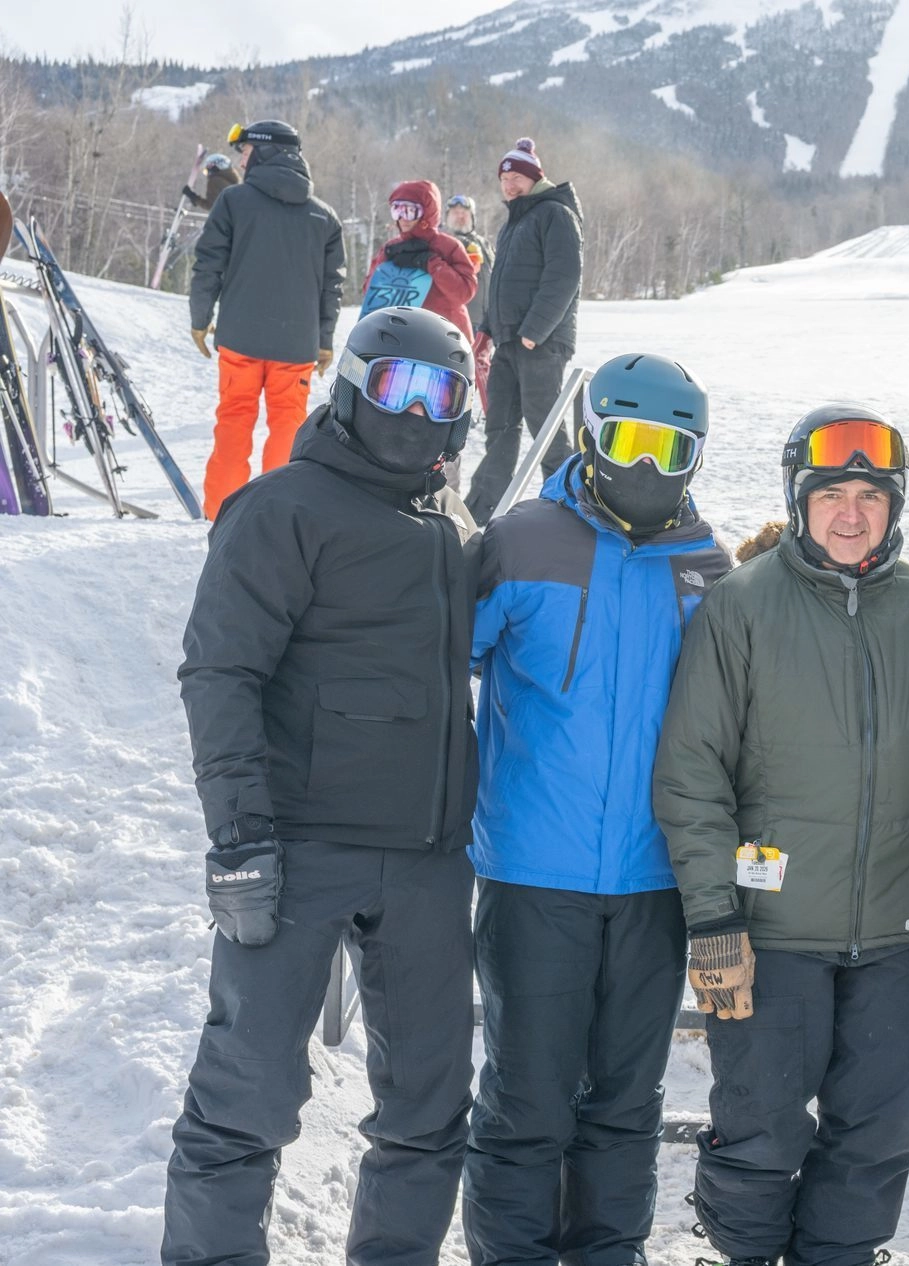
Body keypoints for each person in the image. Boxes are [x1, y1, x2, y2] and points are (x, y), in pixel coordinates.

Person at [163, 306, 481, 1266]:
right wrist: (240, 837)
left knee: (428, 1105)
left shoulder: (456, 525)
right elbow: (221, 673)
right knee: (249, 1091)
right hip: (299, 847)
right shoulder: (282, 507)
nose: (418, 413)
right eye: (398, 388)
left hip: (427, 858)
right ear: (352, 386)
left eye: (442, 395)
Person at [653, 404, 909, 1266]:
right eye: (831, 493)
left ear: (895, 505)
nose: (851, 512)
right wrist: (714, 916)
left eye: (871, 494)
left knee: (877, 1135)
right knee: (760, 1129)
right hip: (769, 930)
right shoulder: (742, 605)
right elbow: (692, 770)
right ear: (797, 498)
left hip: (896, 930)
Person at [460, 352, 732, 1265]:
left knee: (625, 1106)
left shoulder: (706, 566)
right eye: (629, 443)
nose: (649, 469)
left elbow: (736, 725)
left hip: (653, 885)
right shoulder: (521, 540)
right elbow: (429, 666)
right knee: (528, 1101)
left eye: (672, 450)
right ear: (589, 434)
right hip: (536, 872)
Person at [189, 119, 345, 519]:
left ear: (265, 151)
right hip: (295, 349)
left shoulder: (233, 201)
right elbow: (332, 287)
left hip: (240, 340)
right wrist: (324, 340)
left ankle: (219, 517)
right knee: (289, 430)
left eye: (245, 151)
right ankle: (274, 521)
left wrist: (200, 317)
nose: (241, 159)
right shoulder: (324, 217)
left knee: (234, 425)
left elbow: (209, 263)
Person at [464, 138, 584, 525]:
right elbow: (502, 282)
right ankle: (482, 510)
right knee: (499, 427)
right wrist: (486, 329)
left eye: (516, 177)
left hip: (540, 343)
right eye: (504, 178)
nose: (509, 185)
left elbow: (564, 276)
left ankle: (569, 509)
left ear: (536, 177)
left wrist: (534, 331)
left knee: (545, 429)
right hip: (508, 341)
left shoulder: (555, 213)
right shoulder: (514, 224)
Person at [363, 180, 478, 339]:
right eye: (397, 210)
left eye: (410, 211)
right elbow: (370, 293)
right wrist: (386, 268)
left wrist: (432, 263)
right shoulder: (391, 248)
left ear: (427, 213)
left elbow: (464, 293)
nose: (403, 218)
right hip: (403, 337)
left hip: (446, 337)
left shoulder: (448, 247)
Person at [443, 193, 493, 336]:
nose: (460, 217)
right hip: (456, 320)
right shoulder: (443, 243)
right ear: (447, 217)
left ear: (472, 217)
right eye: (455, 213)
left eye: (464, 213)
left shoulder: (484, 244)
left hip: (486, 322)